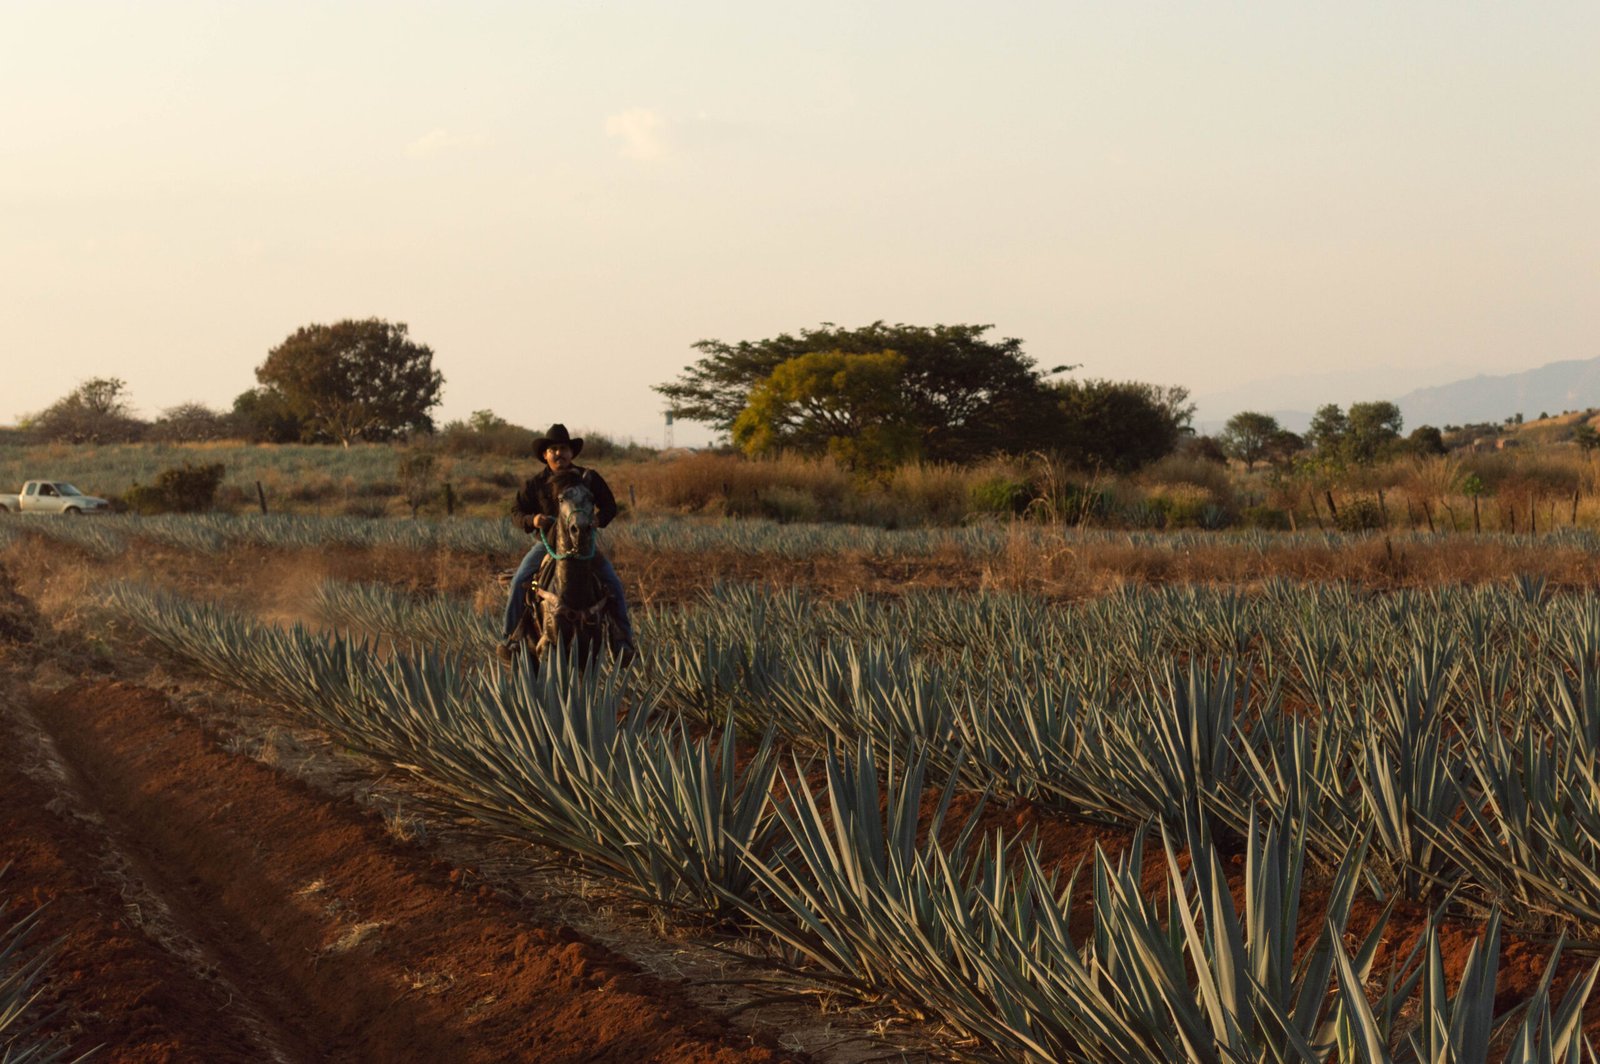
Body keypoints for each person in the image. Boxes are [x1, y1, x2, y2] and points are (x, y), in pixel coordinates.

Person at [501, 423, 634, 658]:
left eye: (563, 448)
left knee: (613, 583)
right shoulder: (535, 484)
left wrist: (597, 519)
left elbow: (610, 506)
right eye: (552, 449)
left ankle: (622, 639)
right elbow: (516, 512)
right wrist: (533, 520)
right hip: (548, 546)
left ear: (571, 453)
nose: (558, 453)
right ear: (545, 455)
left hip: (585, 545)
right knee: (520, 580)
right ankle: (510, 637)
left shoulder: (588, 479)